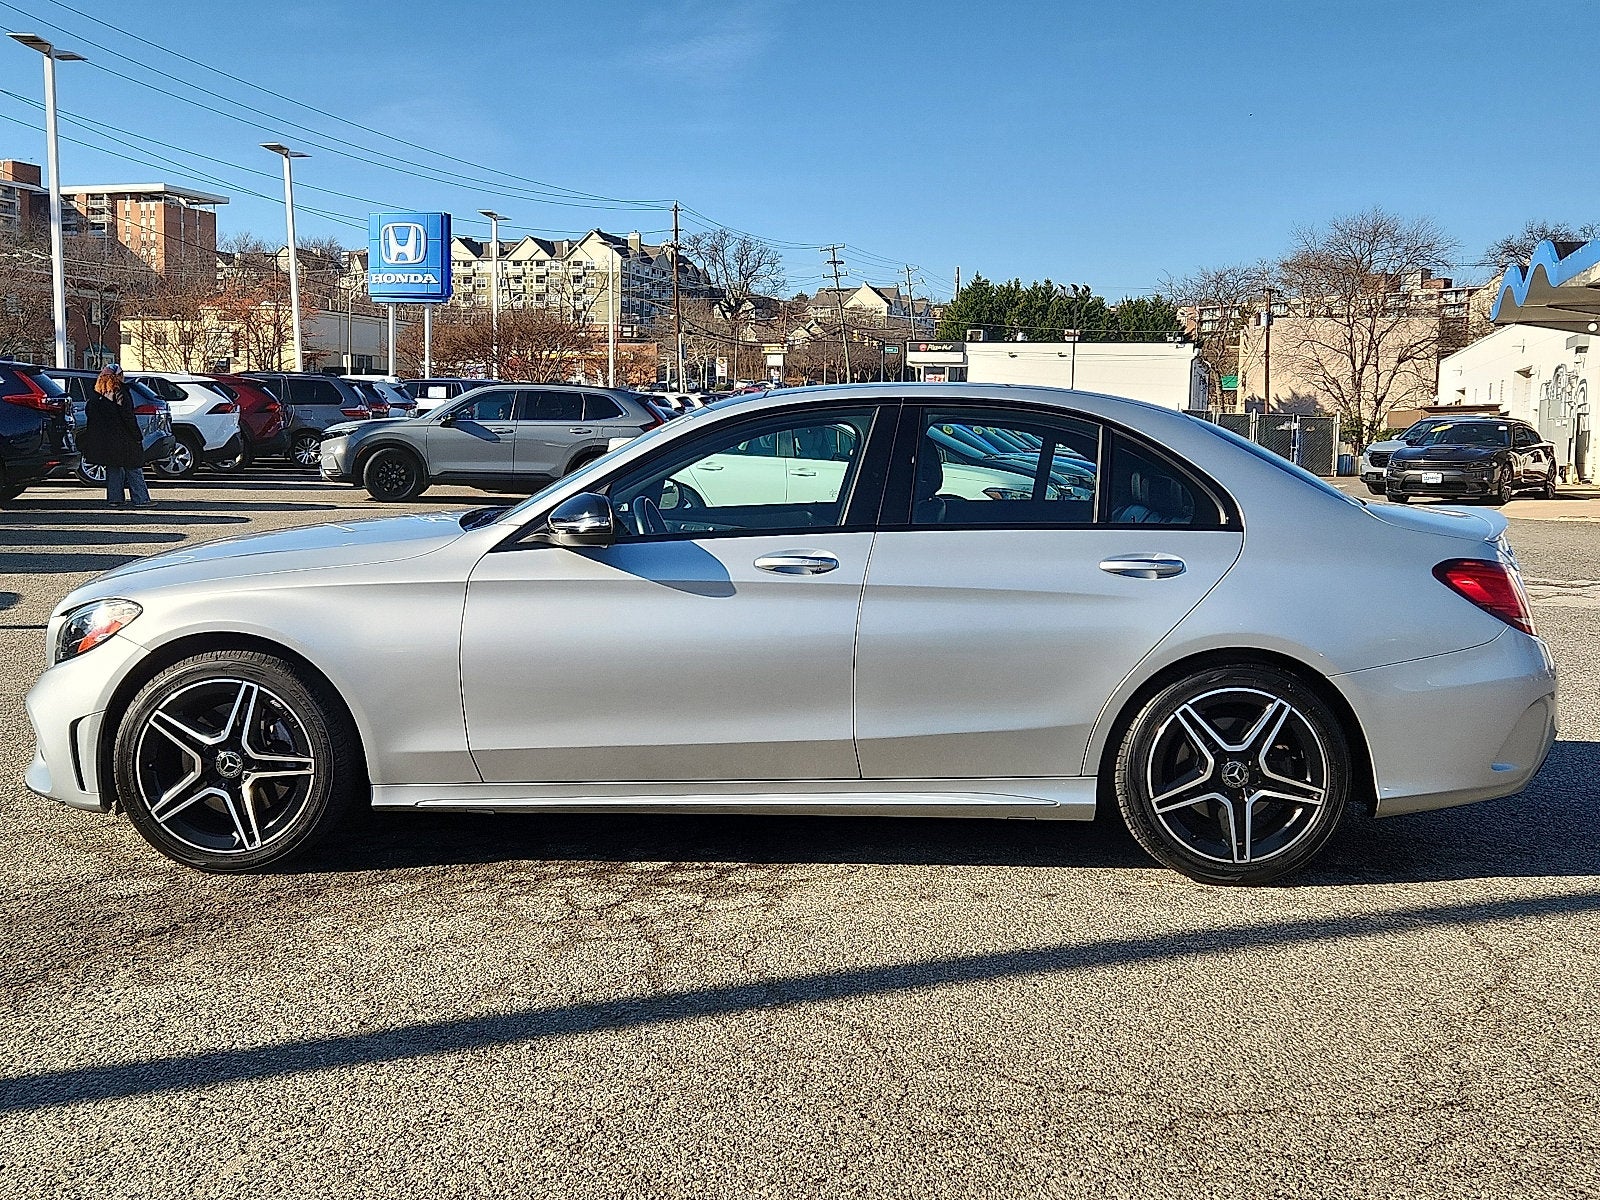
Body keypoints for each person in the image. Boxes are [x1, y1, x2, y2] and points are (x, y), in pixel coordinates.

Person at [80, 363, 153, 508]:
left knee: (113, 468)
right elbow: (128, 416)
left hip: (106, 439)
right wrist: (137, 435)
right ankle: (141, 499)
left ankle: (114, 499)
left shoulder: (96, 395)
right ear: (117, 376)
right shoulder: (120, 392)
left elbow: (90, 416)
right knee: (133, 467)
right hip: (124, 438)